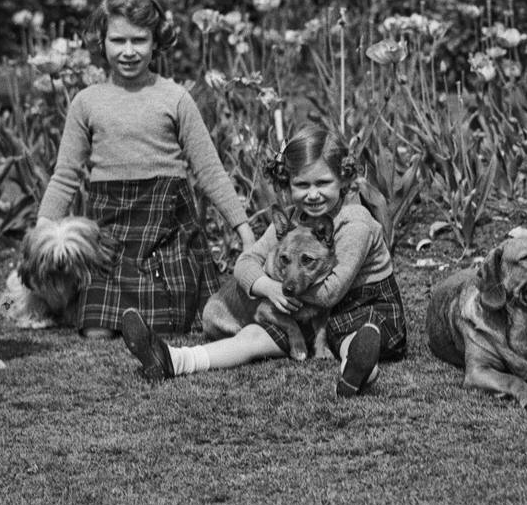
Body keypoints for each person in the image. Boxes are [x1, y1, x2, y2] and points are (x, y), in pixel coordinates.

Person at [121, 124, 407, 397]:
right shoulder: (292, 220)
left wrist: (284, 289)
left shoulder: (356, 223)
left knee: (351, 340)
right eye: (302, 184)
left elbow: (331, 292)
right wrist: (266, 286)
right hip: (308, 313)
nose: (312, 194)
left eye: (323, 182)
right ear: (287, 183)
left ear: (344, 180)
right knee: (253, 336)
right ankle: (174, 359)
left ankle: (357, 371)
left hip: (363, 309)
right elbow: (245, 262)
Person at [36, 0, 255, 340]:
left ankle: (157, 311)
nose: (128, 51)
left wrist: (244, 231)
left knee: (171, 326)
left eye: (139, 40)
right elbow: (65, 175)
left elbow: (209, 169)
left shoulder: (175, 97)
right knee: (96, 331)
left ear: (156, 41)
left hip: (165, 223)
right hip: (108, 229)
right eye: (117, 40)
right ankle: (112, 309)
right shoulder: (86, 101)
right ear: (101, 41)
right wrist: (42, 228)